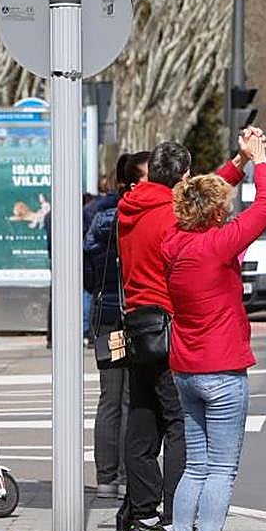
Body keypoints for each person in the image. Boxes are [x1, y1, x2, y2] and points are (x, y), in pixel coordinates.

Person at [116, 134, 258, 531]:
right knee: (182, 429)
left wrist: (239, 161)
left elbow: (207, 189)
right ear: (182, 177)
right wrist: (246, 162)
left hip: (136, 323)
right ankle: (175, 523)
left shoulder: (131, 207)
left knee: (141, 421)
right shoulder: (169, 215)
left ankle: (141, 515)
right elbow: (206, 200)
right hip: (169, 324)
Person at [160, 130, 266, 531]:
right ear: (214, 213)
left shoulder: (174, 243)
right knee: (222, 471)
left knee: (195, 467)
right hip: (223, 371)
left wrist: (239, 160)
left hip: (186, 369)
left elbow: (203, 196)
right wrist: (262, 161)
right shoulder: (218, 244)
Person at [84, 151, 150, 498]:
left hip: (107, 312)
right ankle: (125, 476)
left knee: (110, 397)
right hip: (139, 315)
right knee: (130, 397)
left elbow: (86, 262)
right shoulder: (138, 215)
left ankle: (107, 477)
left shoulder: (98, 216)